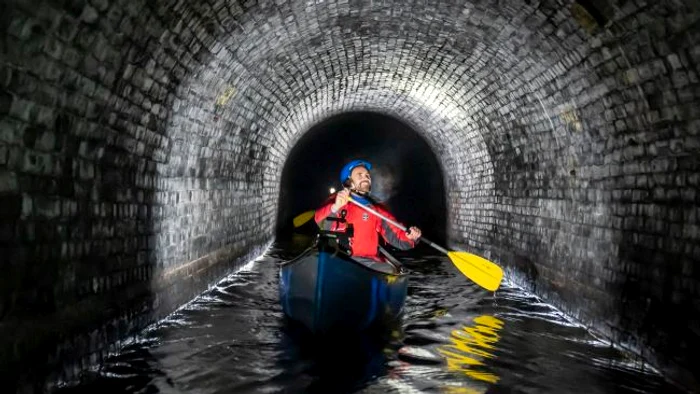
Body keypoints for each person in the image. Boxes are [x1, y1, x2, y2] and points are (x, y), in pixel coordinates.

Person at [314, 159, 422, 273]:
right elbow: (321, 223)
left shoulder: (377, 208)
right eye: (359, 175)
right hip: (339, 258)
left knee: (389, 270)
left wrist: (410, 237)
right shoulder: (336, 200)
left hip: (367, 261)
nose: (366, 177)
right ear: (348, 182)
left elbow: (396, 236)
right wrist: (335, 208)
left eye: (367, 175)